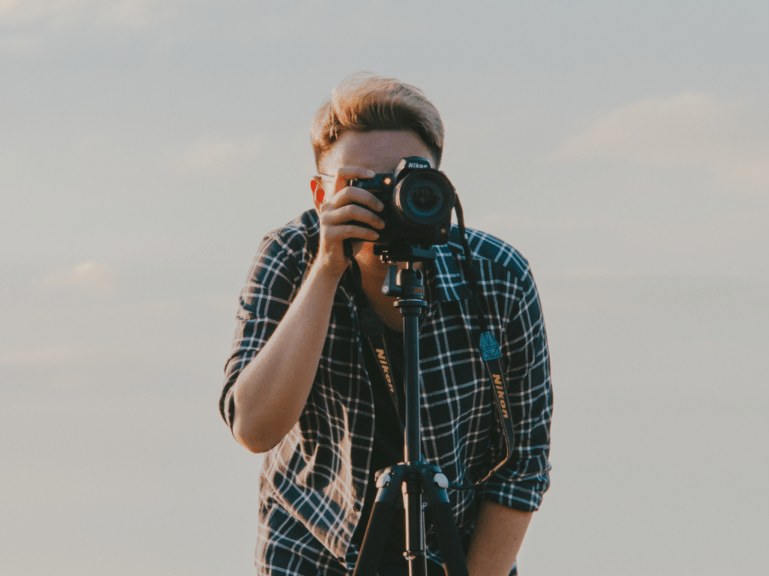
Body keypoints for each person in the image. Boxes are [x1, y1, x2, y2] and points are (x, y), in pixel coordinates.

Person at [219, 73, 552, 576]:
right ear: (319, 194)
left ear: (437, 186)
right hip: (312, 545)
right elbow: (254, 428)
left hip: (454, 553)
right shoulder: (292, 255)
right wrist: (328, 268)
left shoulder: (498, 277)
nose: (385, 199)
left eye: (405, 179)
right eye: (360, 184)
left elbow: (522, 466)